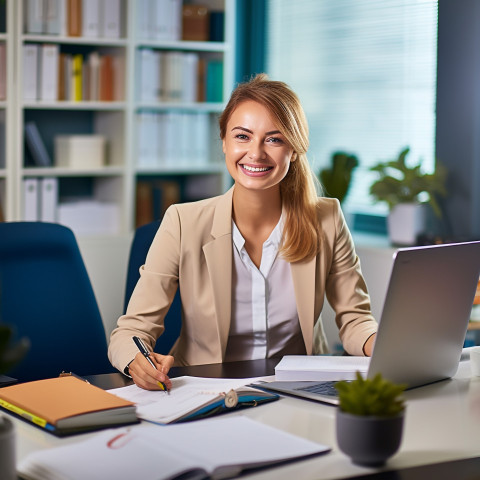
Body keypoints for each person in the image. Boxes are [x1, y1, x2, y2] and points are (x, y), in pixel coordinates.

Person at [108, 74, 377, 391]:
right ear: (224, 141)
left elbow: (355, 319)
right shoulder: (182, 221)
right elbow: (130, 332)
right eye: (242, 136)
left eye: (274, 139)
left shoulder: (326, 218)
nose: (257, 153)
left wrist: (387, 348)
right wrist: (137, 361)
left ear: (294, 149)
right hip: (205, 391)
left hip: (297, 391)